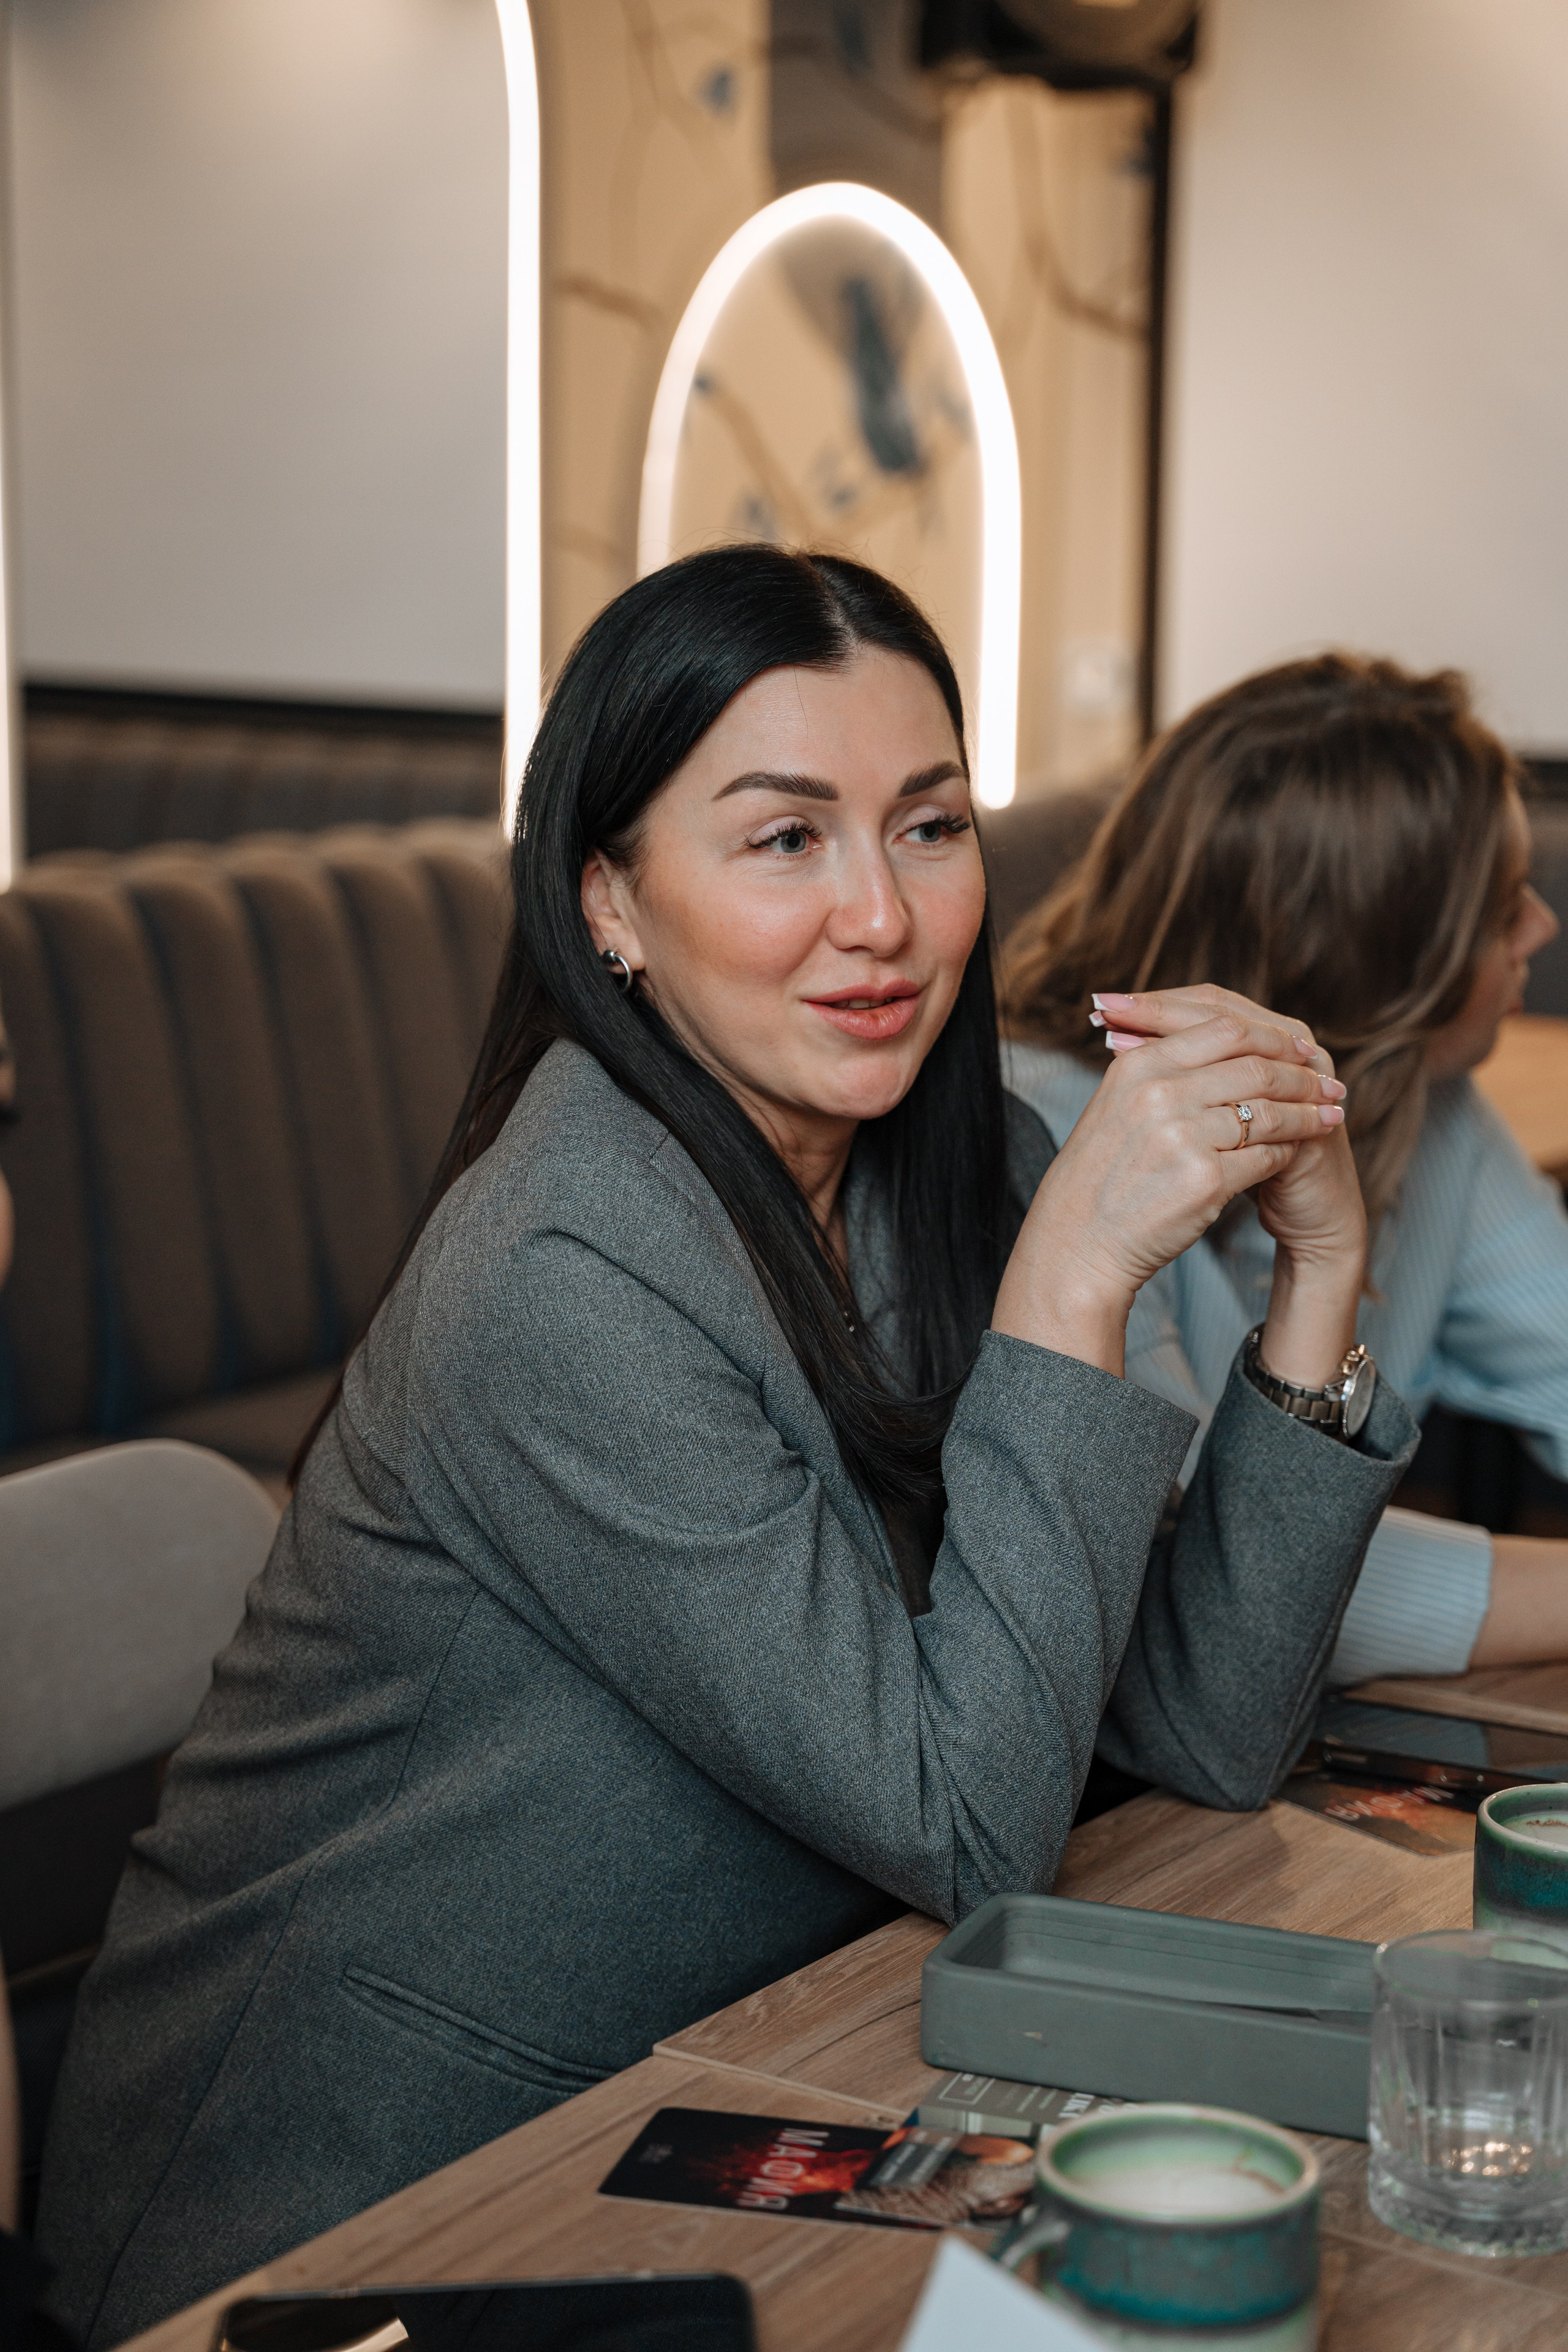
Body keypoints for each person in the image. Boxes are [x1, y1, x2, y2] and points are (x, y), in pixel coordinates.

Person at [37, 552, 1413, 2345]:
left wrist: (1319, 1268)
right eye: (784, 839)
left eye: (929, 828)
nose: (883, 917)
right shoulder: (560, 1271)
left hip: (737, 2075)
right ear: (608, 901)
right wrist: (1074, 1281)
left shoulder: (949, 1167)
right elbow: (968, 1825)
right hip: (367, 2196)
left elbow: (1205, 1730)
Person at [1000, 652, 1566, 1686]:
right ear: (1372, 962)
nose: (1545, 926)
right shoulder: (1045, 1137)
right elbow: (1215, 1592)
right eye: (1502, 910)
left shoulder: (1434, 1106)